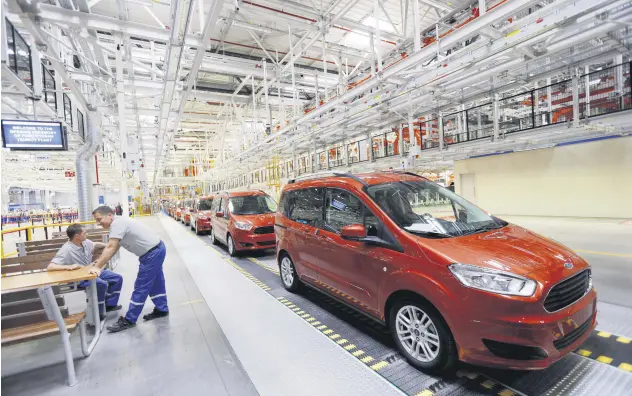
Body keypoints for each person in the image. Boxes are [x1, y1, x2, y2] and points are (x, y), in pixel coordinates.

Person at [90, 205, 168, 333]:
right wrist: (99, 262)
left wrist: (98, 267)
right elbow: (114, 247)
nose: (98, 223)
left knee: (141, 286)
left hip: (151, 254)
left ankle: (130, 319)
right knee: (156, 282)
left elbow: (111, 246)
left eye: (99, 219)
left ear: (109, 215)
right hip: (155, 250)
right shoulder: (118, 223)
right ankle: (162, 309)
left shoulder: (117, 224)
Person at [47, 224, 123, 321]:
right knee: (100, 284)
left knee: (117, 278)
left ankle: (109, 305)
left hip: (90, 271)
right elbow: (51, 267)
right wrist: (69, 266)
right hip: (79, 278)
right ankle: (97, 312)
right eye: (84, 233)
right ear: (77, 236)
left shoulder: (85, 242)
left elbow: (95, 244)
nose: (87, 234)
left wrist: (109, 246)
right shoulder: (66, 249)